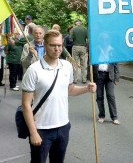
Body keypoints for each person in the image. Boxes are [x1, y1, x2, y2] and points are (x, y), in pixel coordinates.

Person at [21, 29, 96, 163]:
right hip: (41, 128)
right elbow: (26, 104)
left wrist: (87, 89)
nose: (57, 49)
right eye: (53, 45)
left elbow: (70, 90)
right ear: (45, 45)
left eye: (60, 45)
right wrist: (33, 132)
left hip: (63, 127)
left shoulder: (67, 66)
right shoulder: (34, 70)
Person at [70, 19, 88, 84]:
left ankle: (75, 79)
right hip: (83, 47)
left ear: (76, 23)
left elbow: (71, 38)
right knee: (83, 64)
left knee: (75, 64)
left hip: (75, 46)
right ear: (80, 23)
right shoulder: (85, 29)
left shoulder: (73, 29)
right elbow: (87, 38)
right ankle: (84, 79)